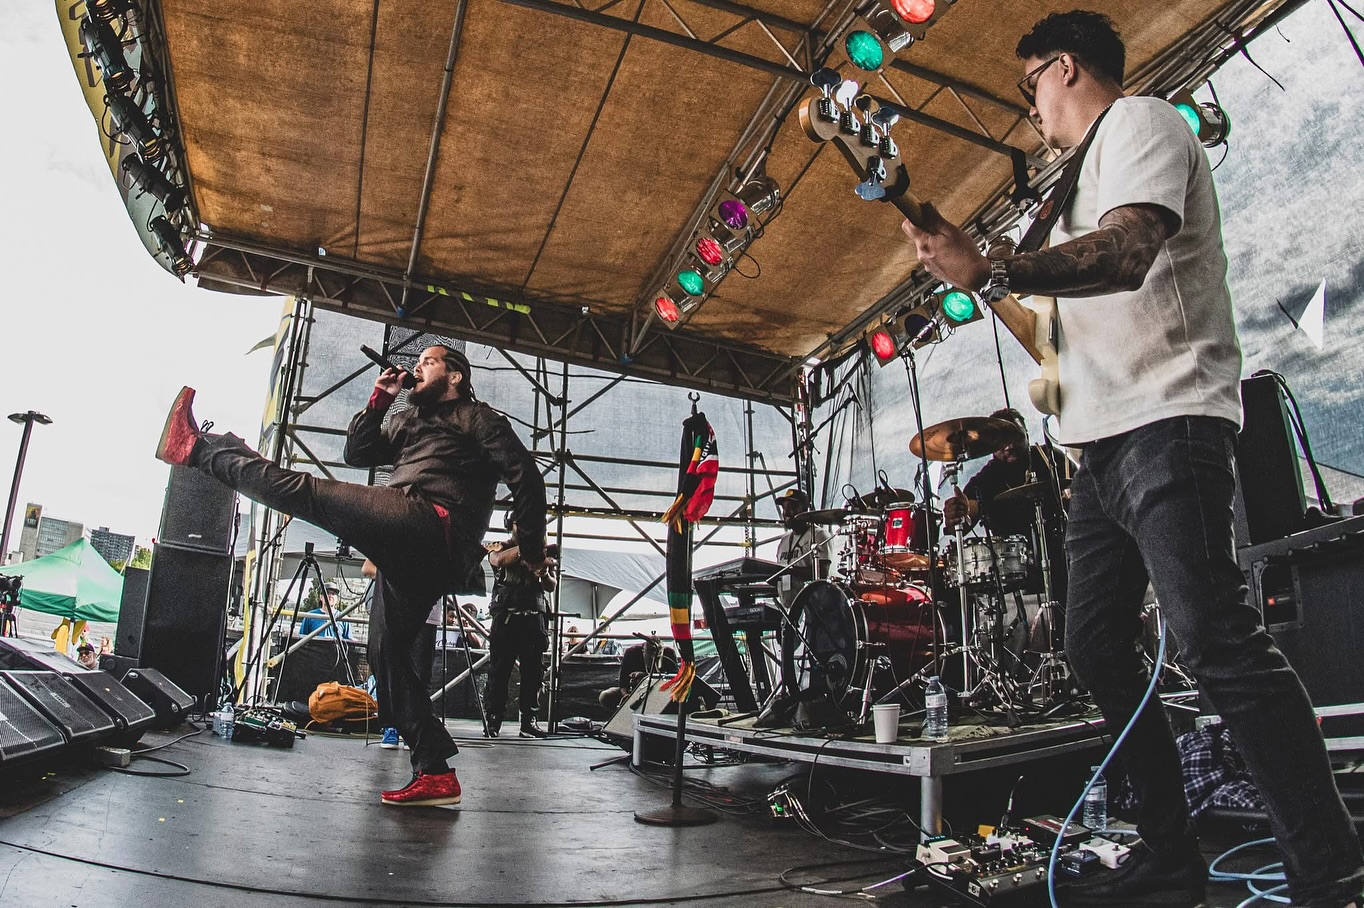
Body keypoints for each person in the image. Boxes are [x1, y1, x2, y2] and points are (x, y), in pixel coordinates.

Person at [902, 11, 1363, 907]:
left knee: (1214, 638)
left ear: (1063, 67)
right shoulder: (1067, 190)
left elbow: (1128, 255)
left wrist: (996, 261)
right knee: (1093, 646)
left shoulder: (1143, 124)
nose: (1030, 108)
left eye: (1031, 83)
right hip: (1097, 447)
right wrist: (982, 280)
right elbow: (1050, 335)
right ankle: (1170, 853)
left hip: (1168, 421)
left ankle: (1330, 868)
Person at [155, 345, 547, 808]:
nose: (417, 367)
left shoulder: (478, 417)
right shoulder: (409, 418)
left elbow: (527, 477)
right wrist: (379, 400)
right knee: (386, 654)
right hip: (408, 546)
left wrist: (532, 549)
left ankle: (199, 448)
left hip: (432, 521)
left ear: (456, 377)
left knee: (307, 493)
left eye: (429, 362)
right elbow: (357, 452)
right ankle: (435, 769)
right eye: (417, 363)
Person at [482, 519, 557, 738]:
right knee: (498, 672)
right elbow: (497, 560)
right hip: (507, 618)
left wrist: (542, 572)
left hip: (533, 620)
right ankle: (493, 720)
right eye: (518, 522)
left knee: (533, 673)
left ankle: (529, 721)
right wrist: (528, 551)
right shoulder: (501, 546)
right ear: (510, 525)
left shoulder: (542, 551)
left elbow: (551, 585)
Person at [774, 489, 831, 609]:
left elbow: (822, 573)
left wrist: (789, 570)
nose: (786, 512)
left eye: (792, 507)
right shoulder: (783, 541)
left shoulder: (818, 535)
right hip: (787, 609)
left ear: (805, 509)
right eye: (784, 508)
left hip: (813, 609)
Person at [597, 635, 678, 711]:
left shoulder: (669, 653)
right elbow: (623, 683)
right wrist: (626, 697)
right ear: (643, 651)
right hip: (634, 691)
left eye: (656, 657)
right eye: (649, 657)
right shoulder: (631, 652)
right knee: (605, 696)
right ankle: (621, 717)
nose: (653, 660)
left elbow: (674, 679)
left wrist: (644, 676)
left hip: (660, 691)